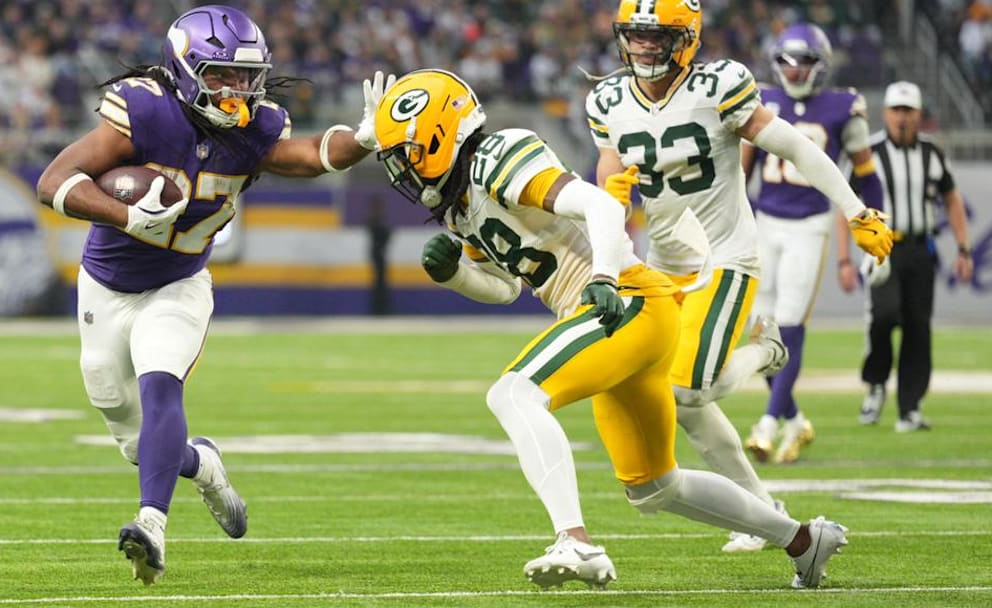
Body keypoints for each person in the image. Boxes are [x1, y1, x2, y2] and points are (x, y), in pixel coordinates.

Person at [373, 67, 849, 591]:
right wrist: (456, 276)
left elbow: (598, 203)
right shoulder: (461, 202)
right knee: (655, 486)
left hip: (622, 299)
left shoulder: (498, 157)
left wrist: (602, 275)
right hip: (621, 314)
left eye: (407, 155)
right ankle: (803, 541)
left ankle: (574, 540)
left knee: (513, 394)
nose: (403, 172)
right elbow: (507, 288)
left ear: (441, 138)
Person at [35, 5, 395, 585]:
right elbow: (53, 181)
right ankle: (202, 465)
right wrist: (125, 215)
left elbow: (309, 155)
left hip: (179, 283)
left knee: (160, 384)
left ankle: (151, 525)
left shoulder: (254, 127)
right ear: (185, 69)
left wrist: (362, 139)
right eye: (221, 74)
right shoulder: (146, 110)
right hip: (105, 284)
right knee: (134, 437)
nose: (236, 89)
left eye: (245, 76)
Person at [588, 0, 892, 553]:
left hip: (724, 256)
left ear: (687, 40)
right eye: (636, 35)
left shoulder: (719, 86)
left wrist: (854, 210)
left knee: (687, 389)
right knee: (683, 407)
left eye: (658, 37)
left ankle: (766, 349)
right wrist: (610, 212)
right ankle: (762, 512)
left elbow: (795, 146)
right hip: (663, 265)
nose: (645, 47)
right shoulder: (607, 100)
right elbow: (608, 182)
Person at [741, 23, 884, 464]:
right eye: (787, 62)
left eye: (803, 62)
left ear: (821, 66)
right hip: (766, 221)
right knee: (759, 328)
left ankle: (768, 422)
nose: (794, 70)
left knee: (789, 324)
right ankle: (796, 420)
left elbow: (866, 174)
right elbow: (741, 172)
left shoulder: (843, 107)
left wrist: (878, 225)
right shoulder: (762, 99)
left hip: (810, 224)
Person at [836, 81, 973, 431]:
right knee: (883, 316)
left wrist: (963, 248)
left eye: (908, 110)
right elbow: (844, 203)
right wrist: (844, 259)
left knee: (918, 327)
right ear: (885, 113)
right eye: (896, 110)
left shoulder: (932, 152)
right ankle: (876, 384)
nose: (902, 117)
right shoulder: (868, 151)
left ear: (918, 114)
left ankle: (910, 407)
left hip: (920, 248)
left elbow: (952, 198)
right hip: (882, 249)